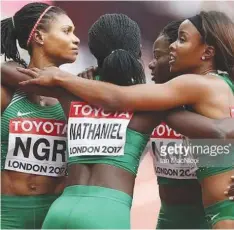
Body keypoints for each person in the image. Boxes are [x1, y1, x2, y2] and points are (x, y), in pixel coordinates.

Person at [19, 10, 234, 229]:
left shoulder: (75, 94)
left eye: (160, 56)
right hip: (124, 215)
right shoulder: (159, 109)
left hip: (62, 209)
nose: (156, 61)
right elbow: (218, 135)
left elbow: (116, 98)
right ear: (137, 53)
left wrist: (65, 79)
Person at [1, 2, 79, 229]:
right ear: (40, 37)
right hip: (7, 216)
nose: (76, 39)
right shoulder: (6, 91)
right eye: (67, 31)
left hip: (56, 218)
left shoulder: (75, 94)